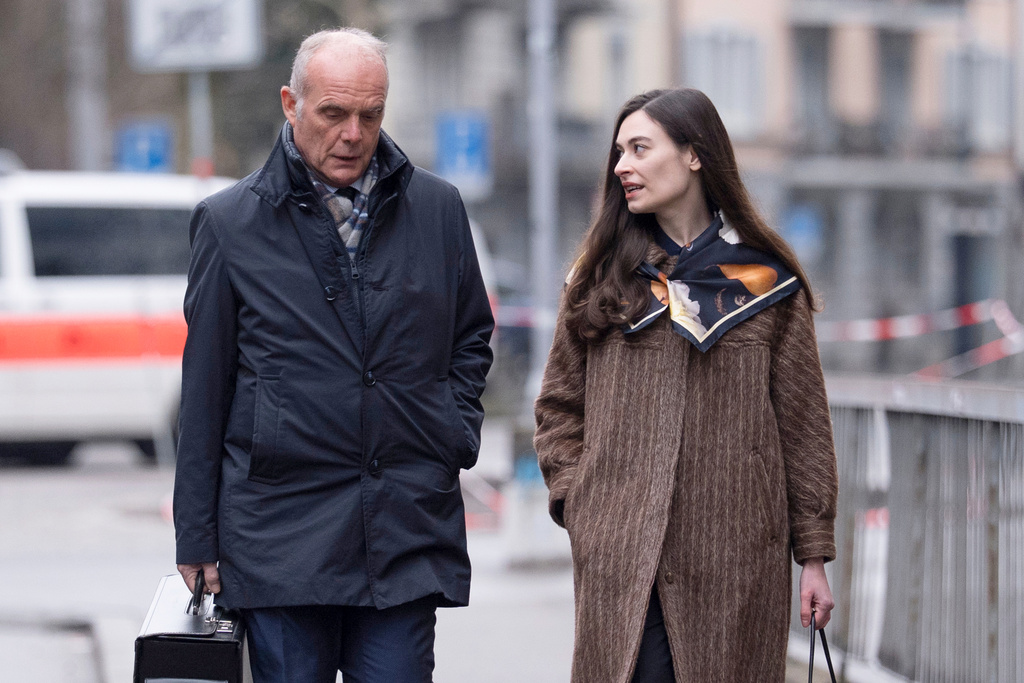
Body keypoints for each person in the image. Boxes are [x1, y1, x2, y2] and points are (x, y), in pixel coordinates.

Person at [172, 28, 494, 683]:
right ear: (291, 104)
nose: (353, 132)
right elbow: (204, 387)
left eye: (369, 115)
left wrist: (452, 429)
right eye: (333, 113)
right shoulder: (229, 223)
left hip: (403, 525)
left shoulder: (438, 209)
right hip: (278, 538)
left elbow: (470, 337)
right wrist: (196, 535)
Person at [534, 88, 838, 682]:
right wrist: (584, 504)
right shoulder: (599, 281)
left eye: (641, 148)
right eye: (619, 152)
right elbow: (558, 407)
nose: (622, 165)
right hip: (624, 554)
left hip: (736, 556)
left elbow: (803, 429)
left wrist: (815, 555)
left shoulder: (768, 284)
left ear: (694, 155)